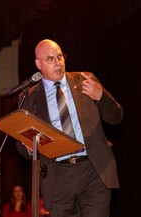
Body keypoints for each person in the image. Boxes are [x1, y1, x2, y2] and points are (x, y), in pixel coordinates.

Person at [16, 39, 123, 217]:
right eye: (50, 59)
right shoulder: (29, 96)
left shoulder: (85, 80)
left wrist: (101, 97)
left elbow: (116, 117)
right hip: (57, 177)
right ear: (38, 64)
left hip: (92, 170)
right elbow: (21, 143)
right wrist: (28, 147)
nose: (58, 63)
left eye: (60, 56)